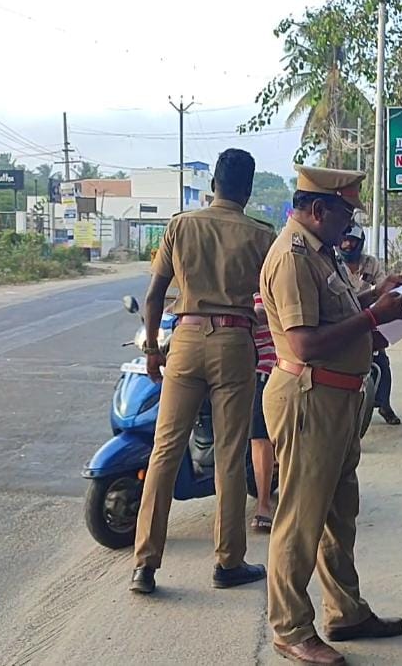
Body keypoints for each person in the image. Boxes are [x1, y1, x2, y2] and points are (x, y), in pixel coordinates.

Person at [261, 165, 402, 666]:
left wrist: (375, 296)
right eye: (346, 212)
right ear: (319, 209)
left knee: (338, 514)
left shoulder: (320, 250)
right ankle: (289, 628)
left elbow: (334, 315)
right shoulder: (292, 256)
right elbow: (304, 342)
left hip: (339, 397)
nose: (351, 223)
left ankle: (345, 611)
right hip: (310, 398)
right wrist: (375, 316)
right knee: (301, 519)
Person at [129, 149, 277, 595]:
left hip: (186, 341)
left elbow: (155, 294)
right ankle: (228, 562)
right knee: (230, 455)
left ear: (213, 182)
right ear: (248, 190)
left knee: (164, 451)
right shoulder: (260, 236)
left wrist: (154, 349)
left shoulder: (180, 225)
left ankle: (145, 565)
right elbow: (273, 300)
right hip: (234, 343)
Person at [338, 224, 400, 425]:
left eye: (352, 241)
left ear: (360, 242)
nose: (347, 245)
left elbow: (383, 287)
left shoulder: (371, 264)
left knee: (383, 361)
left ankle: (385, 404)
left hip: (369, 315)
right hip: (343, 318)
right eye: (344, 240)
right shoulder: (333, 263)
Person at [250, 291, 277, 534]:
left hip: (261, 366)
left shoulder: (260, 276)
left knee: (259, 436)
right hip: (228, 365)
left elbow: (262, 312)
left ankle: (263, 504)